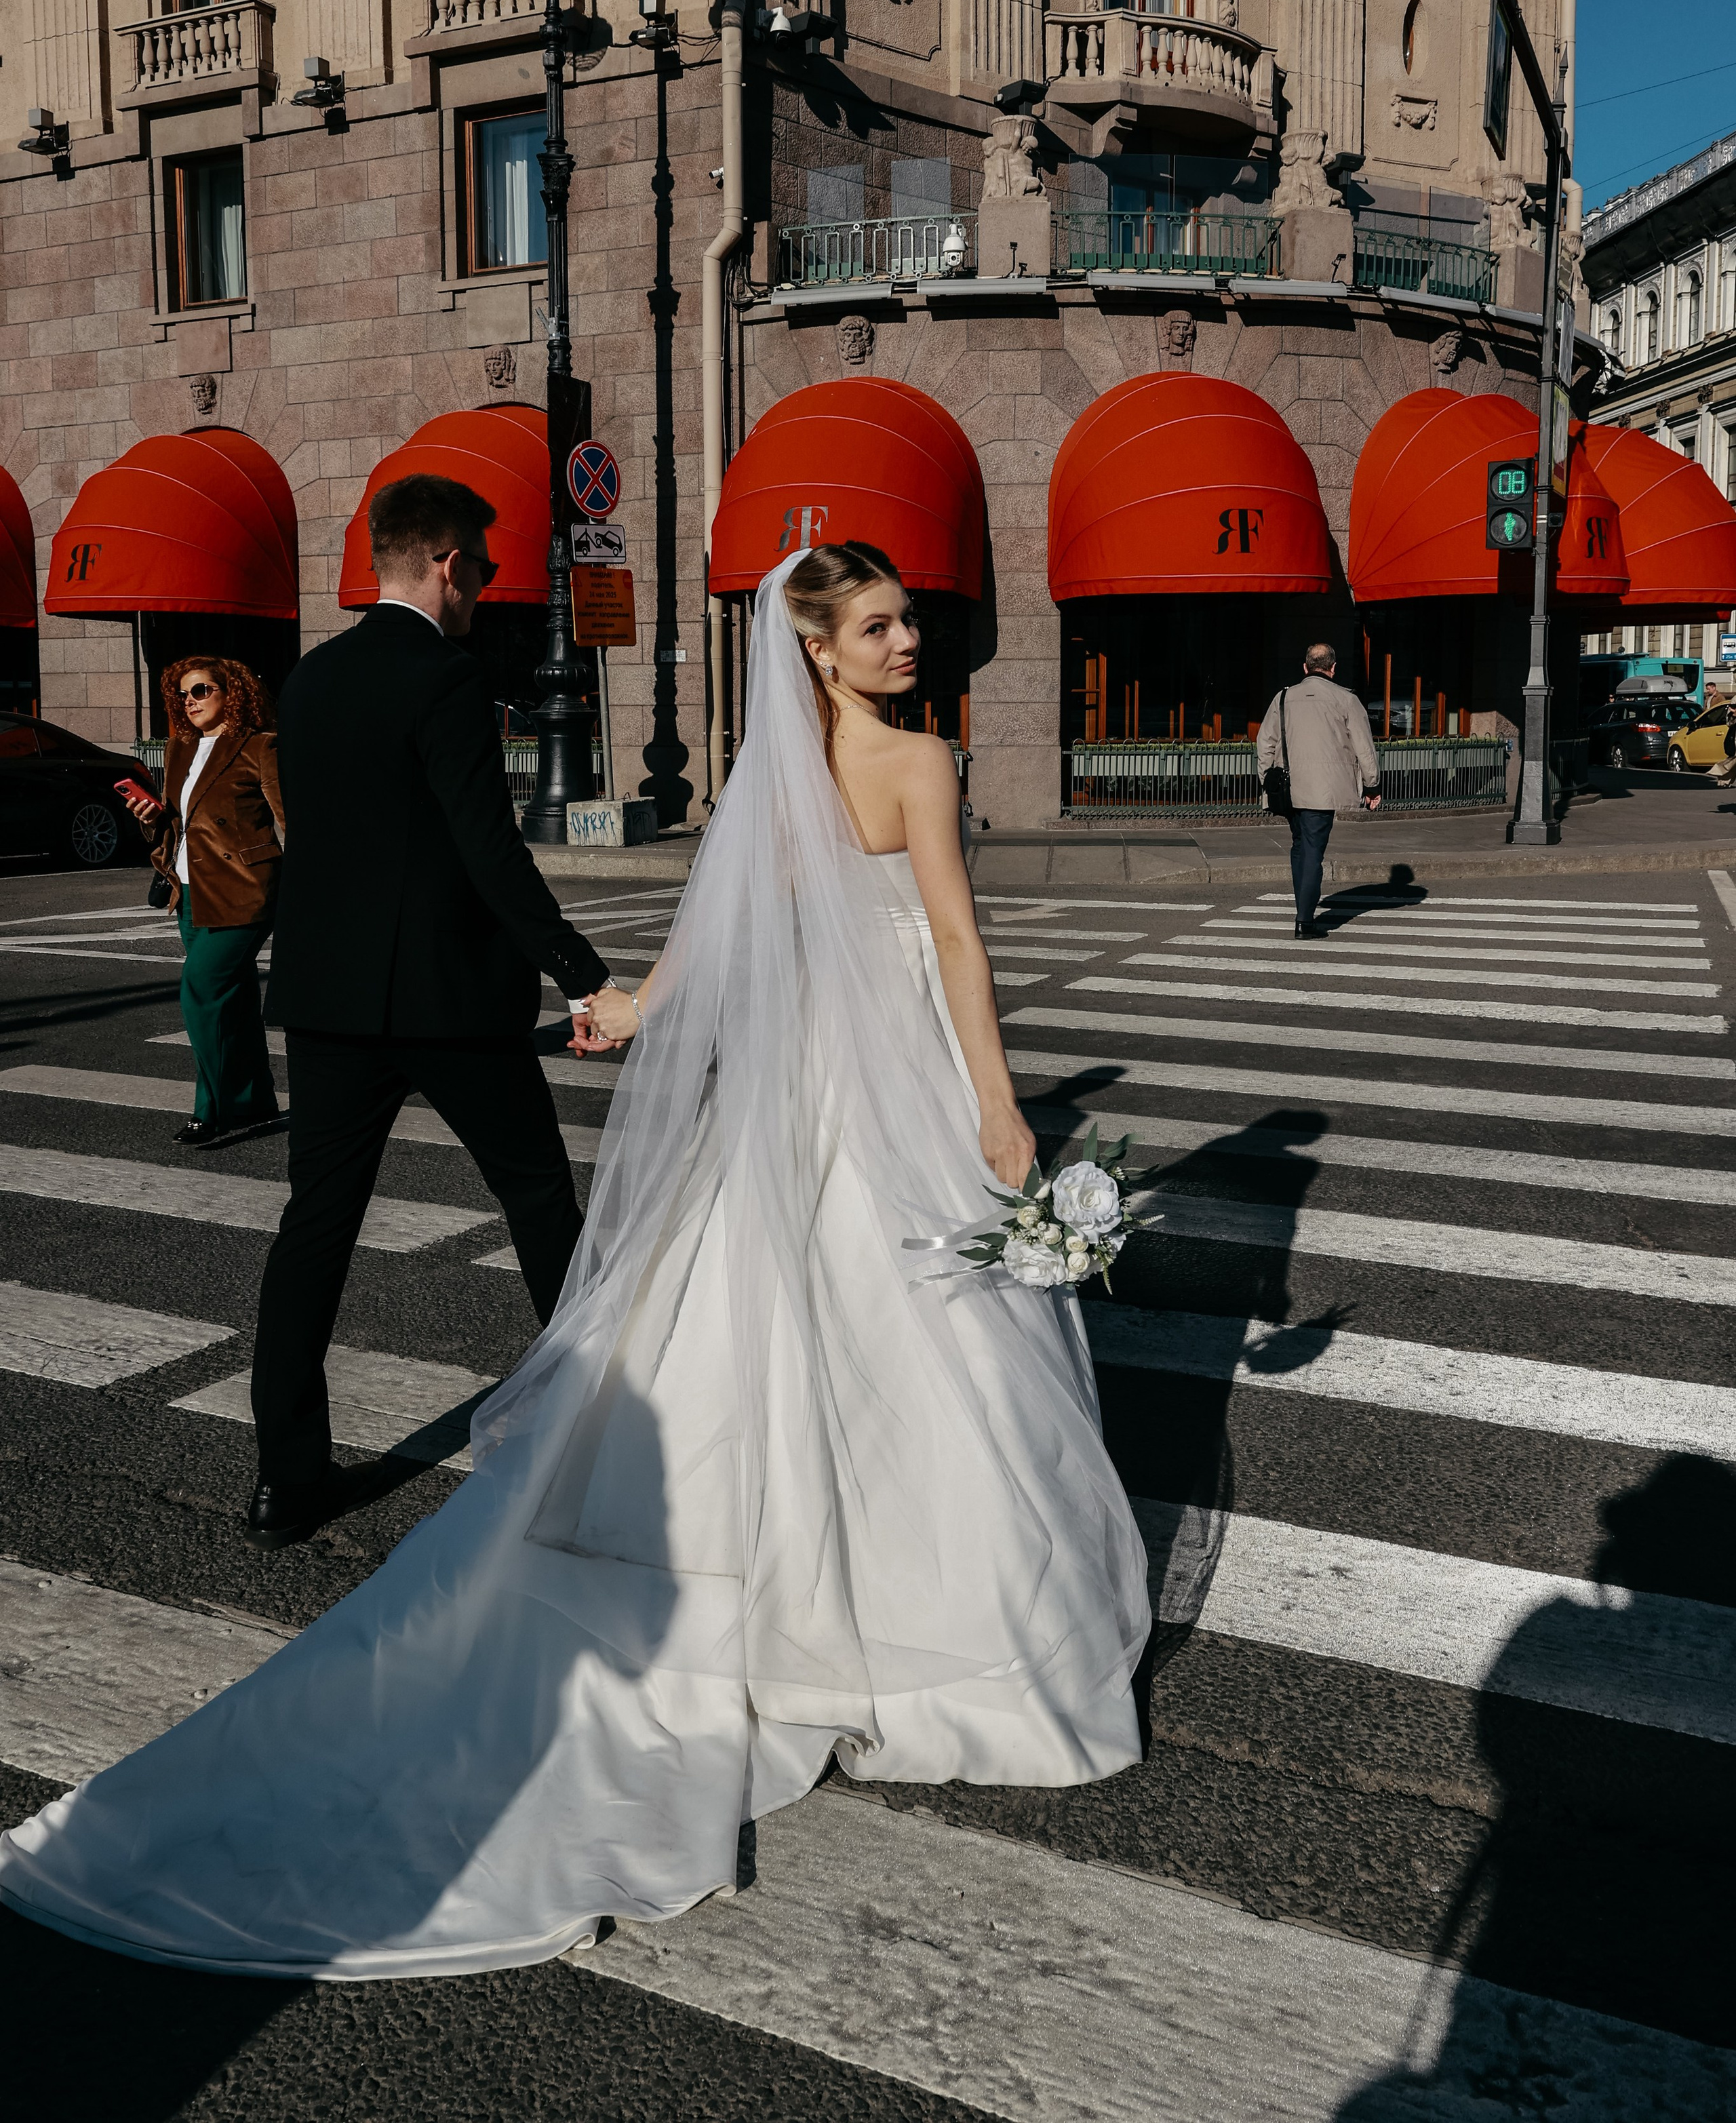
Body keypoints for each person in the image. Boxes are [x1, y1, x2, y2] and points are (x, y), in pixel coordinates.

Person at [0, 541, 1149, 1978]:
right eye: (877, 626)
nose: (906, 642)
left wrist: (634, 1007)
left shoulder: (772, 784)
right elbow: (956, 952)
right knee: (909, 1342)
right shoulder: (919, 766)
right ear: (818, 650)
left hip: (790, 1104)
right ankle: (903, 1621)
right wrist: (996, 1107)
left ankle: (783, 1601)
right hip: (895, 1090)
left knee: (775, 1336)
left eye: (906, 621)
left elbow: (722, 931)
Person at [241, 473, 619, 1553]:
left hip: (327, 1001)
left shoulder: (308, 679)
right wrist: (579, 971)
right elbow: (485, 847)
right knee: (541, 1199)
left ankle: (284, 1482)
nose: (486, 590)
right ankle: (604, 1427)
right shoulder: (444, 677)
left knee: (315, 1228)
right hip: (449, 1003)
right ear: (447, 561)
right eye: (486, 570)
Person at [113, 658, 285, 1149]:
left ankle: (212, 1109)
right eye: (183, 693)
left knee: (201, 991)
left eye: (201, 690)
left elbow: (289, 819)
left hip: (245, 890)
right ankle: (255, 1098)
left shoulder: (260, 745)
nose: (189, 701)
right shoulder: (180, 748)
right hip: (189, 892)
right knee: (234, 1000)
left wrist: (310, 892)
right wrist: (148, 815)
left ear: (231, 694)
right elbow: (174, 824)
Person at [1256, 641, 1381, 937]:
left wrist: (1267, 780)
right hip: (1323, 791)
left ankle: (1304, 910)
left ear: (1305, 667)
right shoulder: (1346, 699)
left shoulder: (1284, 697)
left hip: (1288, 788)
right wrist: (1372, 785)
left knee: (1299, 847)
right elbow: (1365, 748)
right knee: (1313, 851)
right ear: (1333, 668)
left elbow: (1265, 743)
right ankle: (1305, 920)